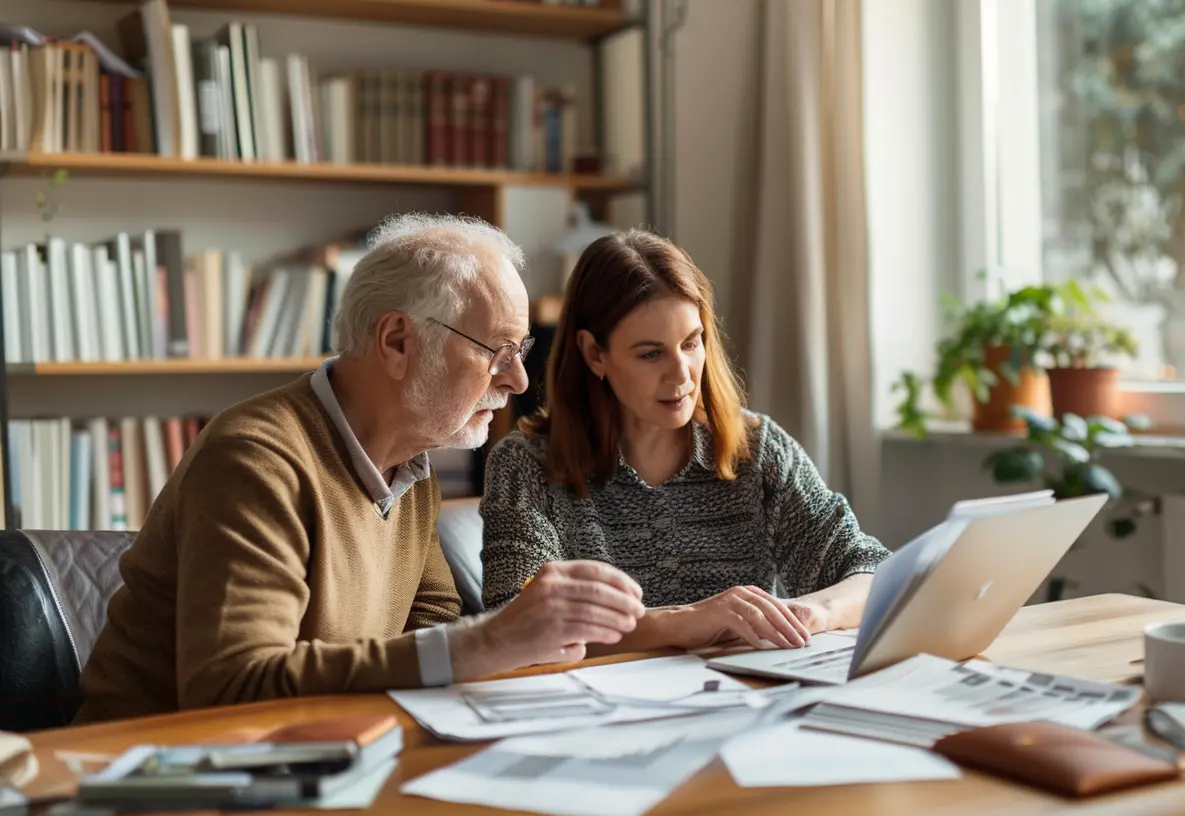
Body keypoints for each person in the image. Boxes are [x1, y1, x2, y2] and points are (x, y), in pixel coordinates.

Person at [74, 214, 646, 724]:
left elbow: (430, 625)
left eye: (521, 353)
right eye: (497, 351)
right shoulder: (255, 459)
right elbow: (231, 686)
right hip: (150, 775)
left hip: (312, 756)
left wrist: (510, 645)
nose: (518, 381)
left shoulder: (410, 465)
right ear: (397, 340)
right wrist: (486, 641)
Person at [479, 229, 890, 654]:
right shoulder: (525, 465)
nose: (681, 375)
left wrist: (811, 613)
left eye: (691, 344)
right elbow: (512, 625)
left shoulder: (758, 450)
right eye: (651, 354)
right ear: (594, 354)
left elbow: (872, 573)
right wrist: (686, 622)